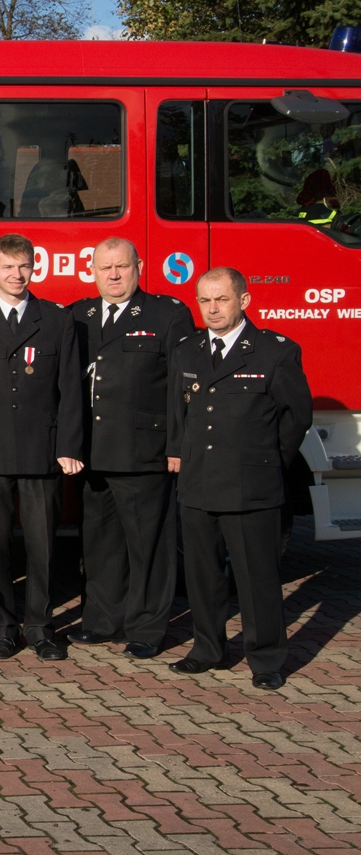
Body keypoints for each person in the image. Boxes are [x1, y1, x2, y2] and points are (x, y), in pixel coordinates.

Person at [167, 268, 312, 691]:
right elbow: (180, 411)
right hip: (198, 483)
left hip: (252, 486)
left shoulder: (274, 352)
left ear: (244, 302)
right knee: (202, 575)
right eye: (205, 301)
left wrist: (268, 463)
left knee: (257, 578)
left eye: (222, 300)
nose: (212, 309)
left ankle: (266, 659)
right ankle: (208, 649)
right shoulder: (188, 350)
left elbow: (296, 417)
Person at [0, 234, 84, 662]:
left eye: (23, 265)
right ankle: (3, 626)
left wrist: (67, 445)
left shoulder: (56, 320)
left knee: (43, 544)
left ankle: (40, 626)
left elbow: (70, 391)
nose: (16, 274)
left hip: (40, 449)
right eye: (7, 266)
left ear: (34, 268)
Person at [67, 238, 195, 660]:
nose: (115, 275)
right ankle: (102, 620)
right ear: (93, 271)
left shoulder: (167, 314)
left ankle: (147, 627)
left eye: (122, 267)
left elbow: (182, 386)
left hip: (144, 451)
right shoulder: (79, 316)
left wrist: (177, 446)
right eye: (106, 269)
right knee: (100, 543)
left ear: (139, 266)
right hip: (93, 452)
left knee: (149, 546)